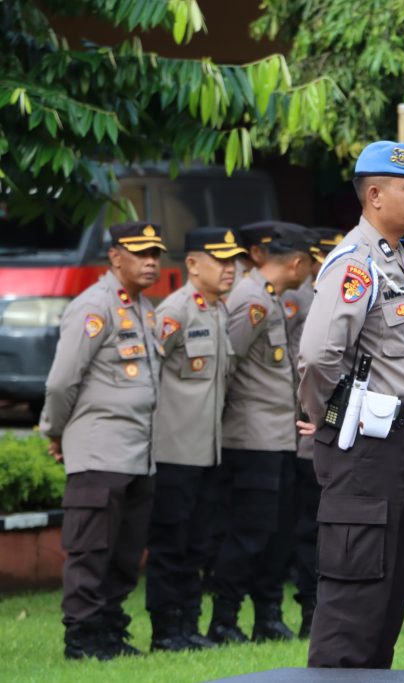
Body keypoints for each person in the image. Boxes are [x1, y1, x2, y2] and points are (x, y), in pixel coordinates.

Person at [298, 141, 404, 669]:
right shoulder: (356, 264)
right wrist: (330, 421)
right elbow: (316, 357)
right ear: (375, 195)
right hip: (364, 448)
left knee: (387, 594)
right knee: (354, 594)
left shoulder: (396, 260)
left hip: (401, 444)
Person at [41, 222, 166, 660]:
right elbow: (60, 384)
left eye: (156, 253)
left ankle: (111, 632)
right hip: (99, 451)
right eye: (141, 253)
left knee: (124, 553)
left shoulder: (142, 308)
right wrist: (55, 432)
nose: (151, 261)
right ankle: (82, 638)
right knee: (90, 551)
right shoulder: (94, 306)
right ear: (115, 257)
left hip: (138, 453)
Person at [207, 222, 317, 644]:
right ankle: (224, 617)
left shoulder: (268, 298)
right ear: (297, 262)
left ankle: (266, 615)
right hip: (250, 438)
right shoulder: (250, 300)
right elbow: (225, 365)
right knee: (249, 532)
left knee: (275, 533)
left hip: (277, 436)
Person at [146, 227, 245, 651]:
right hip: (173, 450)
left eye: (233, 260)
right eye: (220, 260)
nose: (230, 269)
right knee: (171, 543)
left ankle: (188, 623)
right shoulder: (176, 310)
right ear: (192, 264)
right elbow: (148, 374)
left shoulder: (218, 311)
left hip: (208, 450)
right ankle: (166, 630)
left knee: (197, 543)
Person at [282, 227, 344, 638]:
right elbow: (295, 367)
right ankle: (310, 611)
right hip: (310, 427)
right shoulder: (303, 301)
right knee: (310, 528)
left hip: (341, 427)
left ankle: (325, 609)